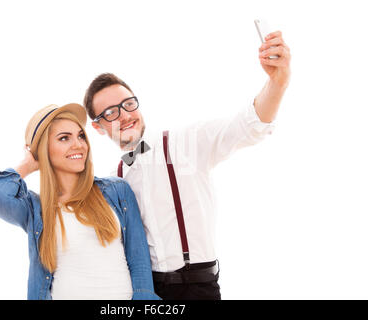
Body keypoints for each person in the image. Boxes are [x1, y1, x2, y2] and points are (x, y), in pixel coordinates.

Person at [83, 31, 291, 300]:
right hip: (148, 292)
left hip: (199, 287)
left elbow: (247, 127)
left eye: (128, 104)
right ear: (98, 127)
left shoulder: (184, 143)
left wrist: (278, 82)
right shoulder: (115, 179)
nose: (124, 115)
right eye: (111, 112)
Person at [0, 103, 160, 300]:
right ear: (43, 149)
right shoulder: (35, 209)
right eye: (64, 138)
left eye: (81, 136)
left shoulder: (116, 190)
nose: (78, 144)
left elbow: (139, 261)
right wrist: (28, 163)